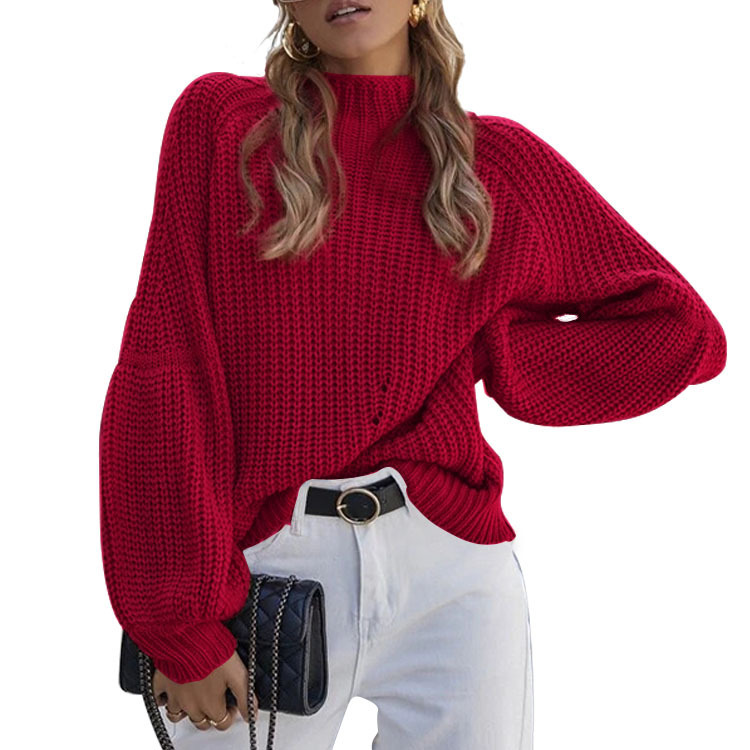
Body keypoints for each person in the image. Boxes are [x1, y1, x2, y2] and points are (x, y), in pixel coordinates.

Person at [98, 1, 728, 748]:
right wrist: (177, 623)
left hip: (450, 570)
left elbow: (682, 330)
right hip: (261, 572)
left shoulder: (493, 165)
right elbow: (164, 367)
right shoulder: (223, 127)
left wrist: (488, 348)